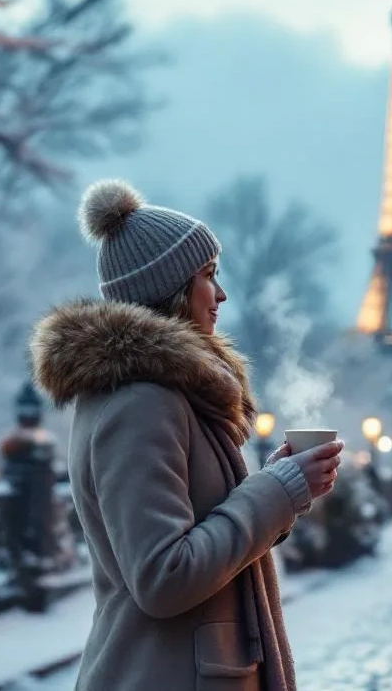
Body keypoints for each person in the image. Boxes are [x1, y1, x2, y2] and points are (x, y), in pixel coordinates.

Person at [30, 179, 343, 691]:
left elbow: (201, 532)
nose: (220, 295)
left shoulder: (161, 393)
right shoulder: (140, 402)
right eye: (208, 275)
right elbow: (164, 577)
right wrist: (274, 492)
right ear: (171, 289)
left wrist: (284, 489)